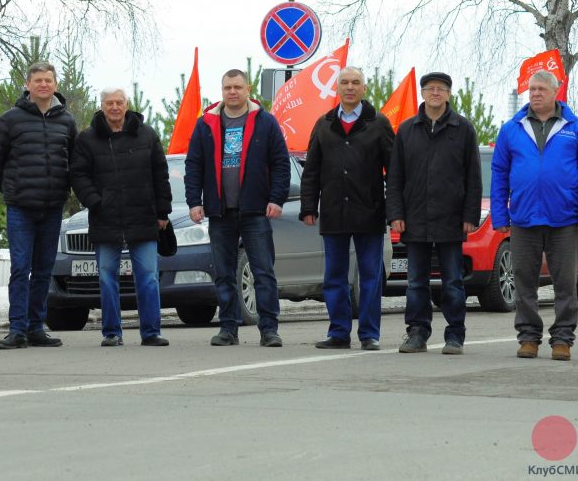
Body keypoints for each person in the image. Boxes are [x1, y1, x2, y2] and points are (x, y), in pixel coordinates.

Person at [491, 70, 578, 362]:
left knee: (565, 283)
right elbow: (499, 173)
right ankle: (528, 338)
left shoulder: (576, 128)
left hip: (564, 219)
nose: (535, 93)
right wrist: (500, 215)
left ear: (555, 92)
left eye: (541, 89)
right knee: (524, 282)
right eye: (531, 89)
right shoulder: (512, 128)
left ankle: (562, 339)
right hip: (524, 220)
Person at [185, 69, 290, 347]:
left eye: (237, 87)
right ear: (222, 91)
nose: (232, 92)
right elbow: (193, 165)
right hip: (220, 213)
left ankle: (269, 329)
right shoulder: (206, 124)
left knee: (263, 272)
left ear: (247, 89)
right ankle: (228, 328)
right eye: (227, 87)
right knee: (224, 273)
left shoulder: (265, 122)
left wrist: (276, 199)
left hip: (256, 211)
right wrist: (195, 202)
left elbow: (280, 163)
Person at [386, 72, 482, 356]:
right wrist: (396, 213)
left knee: (452, 280)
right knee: (416, 281)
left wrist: (469, 215)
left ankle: (455, 335)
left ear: (449, 94)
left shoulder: (463, 129)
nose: (435, 93)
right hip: (414, 218)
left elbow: (473, 177)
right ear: (423, 93)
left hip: (451, 218)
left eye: (441, 89)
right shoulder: (406, 130)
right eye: (430, 89)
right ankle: (417, 333)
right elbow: (395, 177)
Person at [0, 61, 78, 350]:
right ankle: (17, 330)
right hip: (21, 208)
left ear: (56, 84)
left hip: (52, 208)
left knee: (43, 270)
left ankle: (37, 327)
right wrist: (12, 190)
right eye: (37, 80)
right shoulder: (10, 120)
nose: (43, 85)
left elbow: (74, 162)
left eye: (48, 80)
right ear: (28, 84)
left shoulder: (67, 122)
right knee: (20, 268)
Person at [70, 87, 173, 347]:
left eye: (119, 102)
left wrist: (163, 212)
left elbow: (160, 174)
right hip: (105, 218)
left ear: (127, 105)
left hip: (144, 217)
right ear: (102, 106)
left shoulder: (147, 135)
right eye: (109, 103)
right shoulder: (87, 139)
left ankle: (151, 332)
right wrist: (95, 201)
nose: (114, 107)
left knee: (148, 277)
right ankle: (112, 332)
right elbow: (78, 176)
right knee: (106, 277)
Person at [300, 67, 393, 351]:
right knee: (334, 277)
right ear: (336, 89)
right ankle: (339, 332)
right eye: (344, 83)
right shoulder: (324, 124)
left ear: (364, 88)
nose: (350, 87)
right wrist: (308, 206)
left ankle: (369, 334)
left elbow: (396, 171)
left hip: (370, 211)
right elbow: (311, 170)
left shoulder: (378, 123)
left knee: (370, 276)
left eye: (355, 83)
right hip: (333, 212)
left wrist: (394, 210)